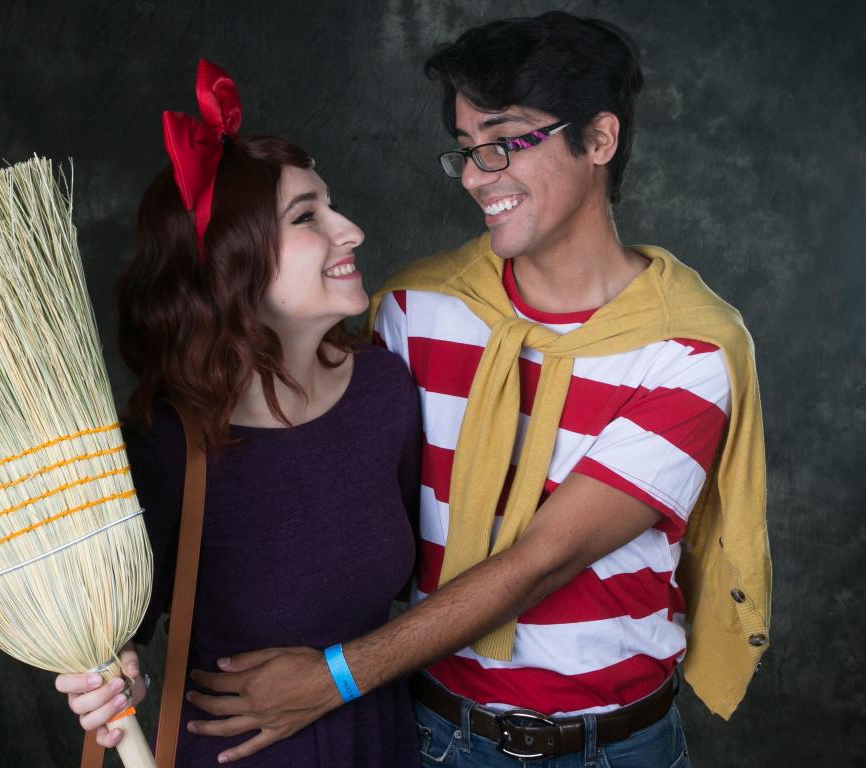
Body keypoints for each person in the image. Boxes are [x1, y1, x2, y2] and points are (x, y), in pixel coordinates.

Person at [192, 11, 771, 768]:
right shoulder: (410, 310)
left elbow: (546, 559)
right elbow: (319, 488)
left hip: (614, 746)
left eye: (503, 144)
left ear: (598, 140)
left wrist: (334, 678)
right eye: (466, 150)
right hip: (431, 734)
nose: (473, 175)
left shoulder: (689, 350)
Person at [53, 60, 422, 768]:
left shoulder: (387, 393)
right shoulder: (165, 446)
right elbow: (122, 638)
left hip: (387, 744)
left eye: (331, 206)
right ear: (231, 265)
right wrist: (108, 679)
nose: (352, 232)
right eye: (309, 217)